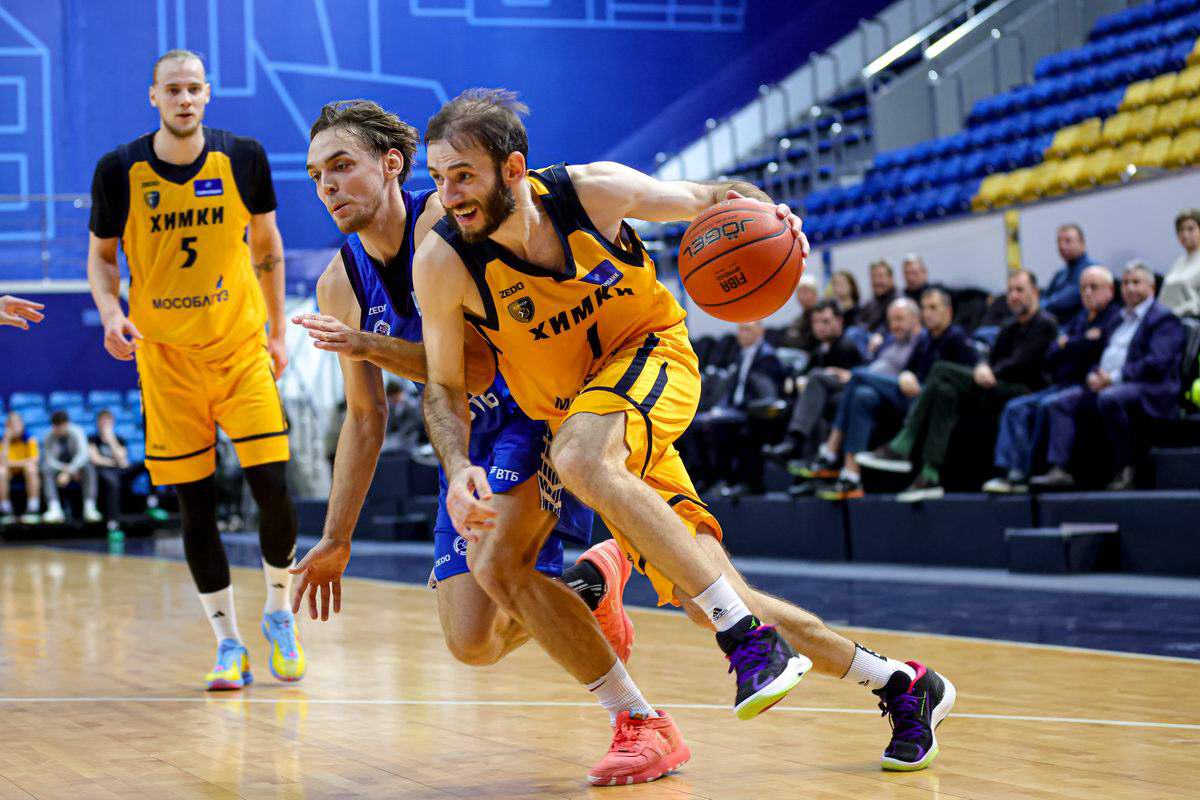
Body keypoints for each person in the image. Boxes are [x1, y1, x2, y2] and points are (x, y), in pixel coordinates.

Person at [414, 88, 954, 774]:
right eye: (438, 178)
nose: (448, 195)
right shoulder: (443, 261)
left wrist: (770, 214)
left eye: (462, 176)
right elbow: (442, 385)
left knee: (582, 459)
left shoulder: (592, 193)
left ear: (513, 169)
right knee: (711, 591)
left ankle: (744, 641)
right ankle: (901, 684)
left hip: (650, 356)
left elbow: (713, 197)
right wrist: (458, 464)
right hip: (578, 414)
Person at [286, 100, 662, 786]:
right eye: (316, 176)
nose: (327, 186)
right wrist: (337, 537)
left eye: (341, 166)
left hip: (532, 408)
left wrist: (368, 344)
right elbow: (365, 418)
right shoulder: (339, 282)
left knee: (500, 569)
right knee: (472, 642)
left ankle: (639, 720)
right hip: (461, 438)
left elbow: (480, 367)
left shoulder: (450, 222)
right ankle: (588, 587)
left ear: (391, 164)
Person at [86, 49, 303, 691]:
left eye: (193, 89)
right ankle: (228, 642)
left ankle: (279, 613)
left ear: (208, 94)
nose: (184, 99)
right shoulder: (119, 169)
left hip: (239, 349)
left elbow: (266, 245)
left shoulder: (243, 157)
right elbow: (102, 257)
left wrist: (277, 330)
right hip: (167, 361)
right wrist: (110, 313)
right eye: (173, 89)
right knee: (195, 506)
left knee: (273, 485)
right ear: (153, 96)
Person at [858, 270, 1058, 502]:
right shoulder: (1008, 326)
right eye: (1011, 290)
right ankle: (930, 474)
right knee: (945, 391)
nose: (1013, 296)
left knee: (941, 369)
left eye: (1020, 290)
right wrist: (984, 366)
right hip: (996, 384)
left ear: (1035, 293)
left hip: (1027, 390)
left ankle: (904, 442)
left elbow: (1023, 361)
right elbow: (990, 359)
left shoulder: (1045, 323)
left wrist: (990, 370)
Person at [1031, 263, 1185, 491]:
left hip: (1149, 387)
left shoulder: (1164, 319)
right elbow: (1101, 354)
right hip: (1108, 383)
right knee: (1060, 403)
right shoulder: (1118, 319)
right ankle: (1060, 470)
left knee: (1110, 398)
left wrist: (1114, 377)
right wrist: (1094, 374)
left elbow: (1157, 362)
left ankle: (1127, 468)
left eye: (1136, 282)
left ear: (1152, 287)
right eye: (1126, 282)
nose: (1130, 288)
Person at [984, 266, 1120, 494]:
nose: (1087, 293)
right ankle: (1014, 473)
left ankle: (1057, 469)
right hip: (1063, 382)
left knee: (1051, 404)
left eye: (1093, 287)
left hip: (1089, 383)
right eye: (1083, 288)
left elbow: (1093, 350)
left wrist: (1070, 344)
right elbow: (1053, 352)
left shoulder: (1114, 318)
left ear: (1110, 290)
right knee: (1016, 407)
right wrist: (1078, 342)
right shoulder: (1081, 318)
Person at [690, 321, 785, 494]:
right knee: (697, 424)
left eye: (747, 330)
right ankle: (705, 478)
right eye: (740, 330)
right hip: (735, 409)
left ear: (760, 331)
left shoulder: (767, 357)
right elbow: (731, 389)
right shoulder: (741, 355)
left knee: (722, 427)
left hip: (753, 411)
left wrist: (737, 409)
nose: (742, 334)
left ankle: (730, 479)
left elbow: (768, 392)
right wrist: (720, 408)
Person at [764, 300, 864, 464]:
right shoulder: (819, 349)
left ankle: (795, 443)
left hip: (849, 393)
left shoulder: (849, 346)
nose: (820, 327)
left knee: (816, 381)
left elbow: (860, 374)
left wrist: (840, 374)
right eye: (816, 322)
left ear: (839, 321)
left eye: (825, 321)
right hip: (826, 394)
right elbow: (803, 374)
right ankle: (804, 458)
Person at [40, 411, 100, 524]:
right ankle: (54, 508)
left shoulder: (77, 431)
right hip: (59, 469)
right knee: (45, 468)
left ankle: (90, 507)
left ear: (67, 424)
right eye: (56, 427)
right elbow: (49, 459)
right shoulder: (48, 436)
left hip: (76, 467)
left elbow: (83, 455)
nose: (59, 430)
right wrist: (65, 470)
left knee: (89, 467)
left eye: (61, 426)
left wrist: (70, 471)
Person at [1042, 224, 1096, 323]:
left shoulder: (1092, 270)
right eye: (1059, 242)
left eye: (1068, 241)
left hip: (1078, 324)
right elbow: (1045, 296)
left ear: (1082, 244)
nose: (1062, 246)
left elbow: (1070, 298)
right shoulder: (1060, 273)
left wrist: (1037, 308)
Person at [88, 409, 131, 520]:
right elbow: (95, 460)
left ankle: (153, 504)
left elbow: (121, 458)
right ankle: (113, 521)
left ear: (113, 423)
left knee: (147, 465)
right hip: (102, 471)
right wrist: (115, 462)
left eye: (107, 421)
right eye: (102, 421)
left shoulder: (119, 439)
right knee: (112, 481)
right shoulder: (93, 439)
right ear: (97, 423)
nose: (105, 424)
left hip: (119, 471)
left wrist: (111, 439)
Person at [0, 410, 42, 523]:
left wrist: (11, 463)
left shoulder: (30, 439)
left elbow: (34, 460)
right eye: (11, 425)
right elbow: (1, 462)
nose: (14, 428)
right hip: (9, 473)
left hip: (25, 471)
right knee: (1, 472)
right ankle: (5, 510)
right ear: (7, 427)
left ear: (22, 425)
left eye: (17, 424)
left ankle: (33, 509)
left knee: (31, 469)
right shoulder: (3, 440)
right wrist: (6, 441)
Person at [1160, 208, 1200, 317]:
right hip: (1168, 319)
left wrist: (1177, 311)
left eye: (1190, 229)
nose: (1185, 234)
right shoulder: (1177, 263)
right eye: (1181, 230)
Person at [776, 274, 820, 351]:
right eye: (799, 292)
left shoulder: (821, 316)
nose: (802, 296)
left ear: (815, 294)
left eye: (805, 292)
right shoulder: (798, 319)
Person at [858, 259, 899, 333]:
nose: (876, 281)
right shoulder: (868, 303)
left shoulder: (899, 302)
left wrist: (881, 334)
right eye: (873, 277)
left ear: (891, 278)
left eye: (880, 276)